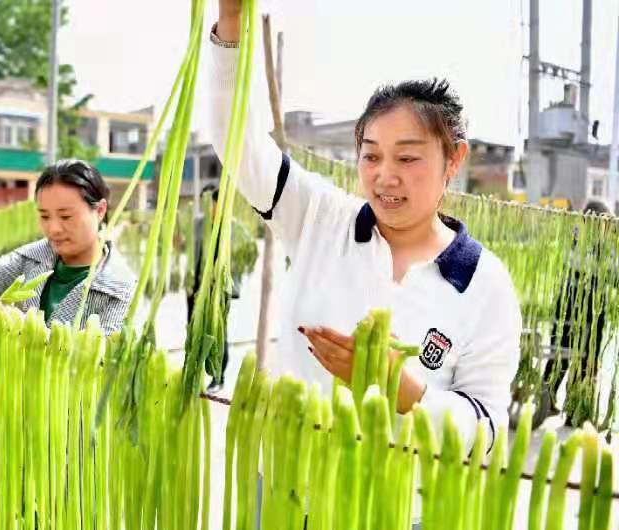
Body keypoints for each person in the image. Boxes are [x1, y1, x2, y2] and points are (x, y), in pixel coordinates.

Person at [208, 1, 522, 451]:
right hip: (282, 489)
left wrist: (400, 387)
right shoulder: (320, 217)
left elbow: (487, 429)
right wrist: (232, 22)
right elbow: (238, 143)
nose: (385, 175)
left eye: (408, 158)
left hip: (403, 509)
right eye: (371, 155)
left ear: (454, 158)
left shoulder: (483, 283)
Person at [0, 159, 134, 335]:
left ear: (99, 210)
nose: (53, 229)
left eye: (66, 216)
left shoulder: (120, 286)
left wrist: (24, 328)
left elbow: (104, 361)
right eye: (44, 216)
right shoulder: (33, 259)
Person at [541, 200, 612, 422]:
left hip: (572, 307)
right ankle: (569, 409)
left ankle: (558, 404)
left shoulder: (576, 238)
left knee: (563, 355)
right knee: (577, 358)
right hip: (583, 309)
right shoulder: (590, 243)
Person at [186, 183, 239, 390]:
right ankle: (194, 372)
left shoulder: (231, 227)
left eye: (212, 203)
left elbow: (239, 260)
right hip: (197, 285)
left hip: (219, 287)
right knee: (194, 327)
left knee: (218, 330)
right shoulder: (198, 224)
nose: (208, 207)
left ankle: (218, 376)